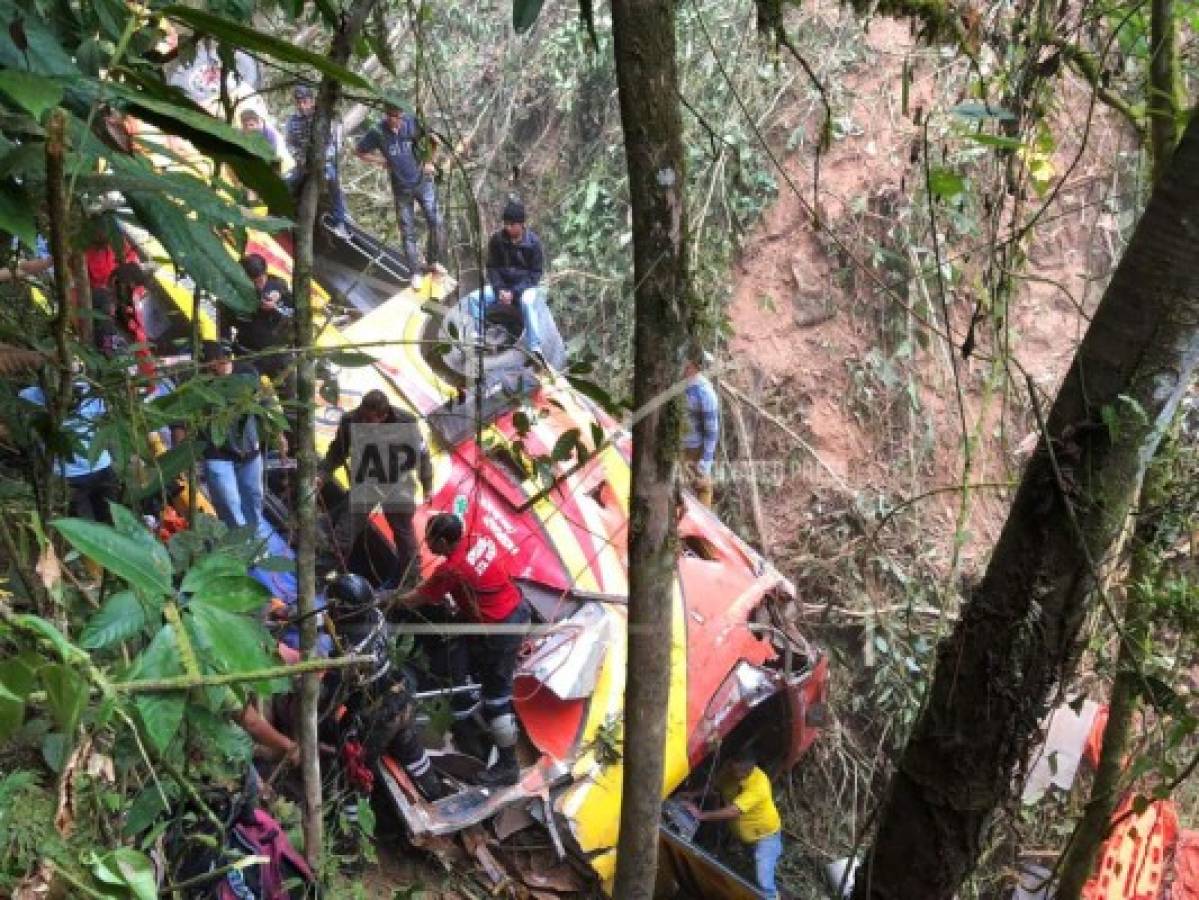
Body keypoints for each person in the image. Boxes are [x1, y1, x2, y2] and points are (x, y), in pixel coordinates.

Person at [397, 512, 530, 787]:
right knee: (457, 638)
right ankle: (469, 691)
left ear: (445, 542)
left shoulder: (451, 569)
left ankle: (508, 765)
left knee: (497, 698)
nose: (428, 545)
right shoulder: (478, 539)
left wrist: (388, 599)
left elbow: (417, 598)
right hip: (515, 607)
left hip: (499, 628)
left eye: (431, 541)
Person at [319, 573, 445, 801]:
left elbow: (332, 692)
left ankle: (353, 823)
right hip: (400, 696)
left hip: (376, 716)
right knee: (409, 746)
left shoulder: (350, 654)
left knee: (355, 767)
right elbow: (331, 622)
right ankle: (436, 792)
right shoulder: (376, 616)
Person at [318, 389, 433, 589]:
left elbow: (422, 455)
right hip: (366, 482)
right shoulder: (350, 421)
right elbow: (337, 452)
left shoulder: (406, 422)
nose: (363, 422)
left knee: (405, 538)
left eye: (368, 419)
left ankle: (409, 583)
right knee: (344, 533)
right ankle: (319, 572)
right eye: (361, 416)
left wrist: (427, 484)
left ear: (383, 416)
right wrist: (322, 475)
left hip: (397, 484)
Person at [175, 341, 284, 540]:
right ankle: (240, 542)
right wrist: (179, 456)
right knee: (228, 502)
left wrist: (279, 435)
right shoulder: (196, 383)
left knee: (253, 499)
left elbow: (268, 403)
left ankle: (256, 538)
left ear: (221, 361)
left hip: (249, 450)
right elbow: (180, 420)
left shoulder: (248, 375)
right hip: (216, 452)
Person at [354, 102, 444, 284]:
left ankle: (433, 261)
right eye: (391, 116)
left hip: (422, 182)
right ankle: (415, 272)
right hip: (401, 187)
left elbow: (434, 139)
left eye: (398, 116)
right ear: (386, 115)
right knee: (407, 230)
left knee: (436, 221)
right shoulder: (378, 131)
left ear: (403, 114)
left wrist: (430, 161)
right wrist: (381, 160)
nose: (395, 121)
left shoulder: (412, 122)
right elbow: (360, 151)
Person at [680, 749, 783, 900]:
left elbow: (734, 811)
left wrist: (701, 815)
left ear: (749, 770)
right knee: (747, 872)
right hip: (745, 837)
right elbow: (715, 786)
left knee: (763, 881)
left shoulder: (758, 785)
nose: (732, 773)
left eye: (737, 771)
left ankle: (772, 897)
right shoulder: (730, 771)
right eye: (732, 768)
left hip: (766, 836)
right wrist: (693, 795)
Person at [18, 378, 119, 524]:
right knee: (83, 529)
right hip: (70, 475)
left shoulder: (91, 392)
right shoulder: (32, 397)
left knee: (111, 520)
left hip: (99, 467)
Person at [464, 199, 549, 369]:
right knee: (473, 298)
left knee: (528, 302)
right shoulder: (497, 240)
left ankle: (535, 348)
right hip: (502, 288)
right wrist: (500, 289)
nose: (507, 228)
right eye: (506, 224)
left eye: (511, 224)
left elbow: (535, 274)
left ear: (521, 225)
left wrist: (514, 293)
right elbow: (492, 267)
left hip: (524, 289)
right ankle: (478, 338)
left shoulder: (533, 244)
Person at [284, 84, 348, 237]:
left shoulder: (325, 118)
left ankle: (340, 222)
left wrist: (323, 159)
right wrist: (301, 159)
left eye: (305, 101)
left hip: (324, 162)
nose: (302, 105)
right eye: (299, 102)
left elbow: (337, 142)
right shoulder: (292, 121)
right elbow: (290, 144)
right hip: (303, 163)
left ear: (312, 101)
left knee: (334, 184)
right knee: (287, 183)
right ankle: (284, 216)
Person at [220, 254, 294, 380]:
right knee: (245, 391)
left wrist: (275, 308)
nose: (258, 287)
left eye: (260, 281)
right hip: (247, 353)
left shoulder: (278, 287)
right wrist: (225, 357)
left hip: (278, 354)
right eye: (252, 283)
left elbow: (294, 315)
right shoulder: (230, 297)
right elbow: (224, 328)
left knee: (290, 391)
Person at [682, 351, 720, 506]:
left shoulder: (704, 393)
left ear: (693, 366)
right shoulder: (678, 384)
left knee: (703, 487)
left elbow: (712, 432)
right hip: (678, 445)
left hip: (694, 450)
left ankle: (704, 524)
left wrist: (706, 461)